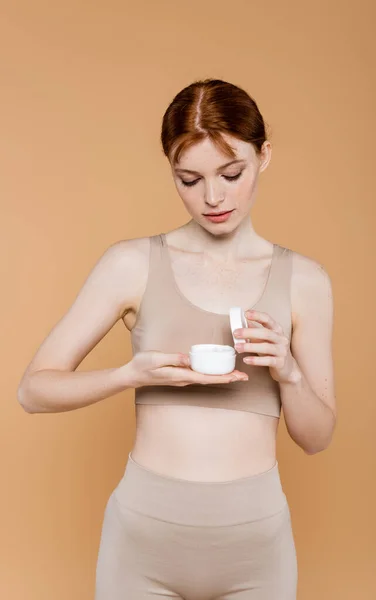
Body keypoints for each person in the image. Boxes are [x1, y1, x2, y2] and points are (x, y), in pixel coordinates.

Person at [17, 78, 336, 599]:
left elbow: (317, 437)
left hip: (257, 550)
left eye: (232, 174)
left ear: (265, 156)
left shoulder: (306, 281)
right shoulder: (131, 264)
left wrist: (290, 373)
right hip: (142, 545)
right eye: (188, 180)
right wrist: (130, 374)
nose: (212, 197)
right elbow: (33, 391)